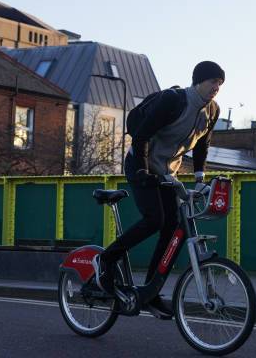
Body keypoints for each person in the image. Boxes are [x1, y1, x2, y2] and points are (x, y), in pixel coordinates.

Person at [99, 61, 223, 319]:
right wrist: (143, 171)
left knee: (174, 228)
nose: (216, 88)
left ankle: (151, 292)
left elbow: (202, 145)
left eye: (220, 84)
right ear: (198, 81)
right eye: (213, 82)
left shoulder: (212, 111)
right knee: (155, 219)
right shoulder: (173, 100)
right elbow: (141, 135)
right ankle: (107, 260)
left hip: (168, 173)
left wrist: (200, 177)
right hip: (141, 164)